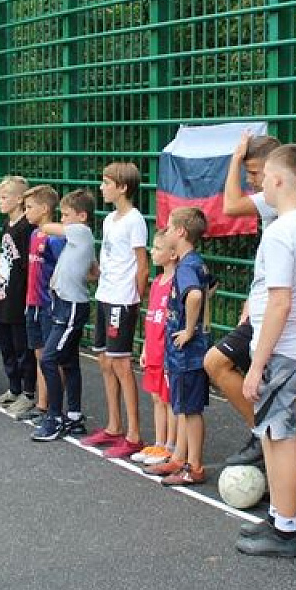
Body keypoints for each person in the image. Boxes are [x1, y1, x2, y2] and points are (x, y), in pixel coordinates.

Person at [207, 131, 296, 477]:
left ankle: (278, 446)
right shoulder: (288, 211)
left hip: (283, 311)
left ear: (278, 173)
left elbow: (230, 206)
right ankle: (289, 453)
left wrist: (233, 159)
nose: (252, 181)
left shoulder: (290, 203)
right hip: (277, 304)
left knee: (220, 363)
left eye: (257, 173)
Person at [232, 144, 296, 558]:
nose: (260, 186)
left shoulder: (280, 232)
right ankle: (277, 517)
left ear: (280, 180)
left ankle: (285, 529)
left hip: (283, 347)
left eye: (264, 178)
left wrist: (256, 365)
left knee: (281, 437)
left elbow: (280, 302)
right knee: (273, 434)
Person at [82, 163, 150, 458]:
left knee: (121, 364)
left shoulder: (135, 220)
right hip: (105, 295)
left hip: (122, 300)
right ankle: (114, 426)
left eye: (106, 183)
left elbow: (142, 265)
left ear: (123, 187)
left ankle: (134, 434)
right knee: (105, 361)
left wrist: (134, 299)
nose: (101, 188)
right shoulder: (109, 219)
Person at [150, 208, 212, 486]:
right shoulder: (196, 262)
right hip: (190, 352)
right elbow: (209, 288)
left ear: (181, 232)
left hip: (188, 353)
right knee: (185, 408)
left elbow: (196, 295)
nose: (166, 229)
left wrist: (188, 329)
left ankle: (194, 466)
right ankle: (179, 458)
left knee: (191, 409)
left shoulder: (186, 266)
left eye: (170, 226)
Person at [31, 189, 97, 442]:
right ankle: (74, 416)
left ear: (82, 216)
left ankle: (55, 417)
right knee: (68, 361)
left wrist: (41, 217)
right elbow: (93, 271)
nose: (63, 219)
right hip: (63, 302)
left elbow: (47, 228)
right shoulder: (78, 239)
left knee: (49, 359)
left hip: (71, 306)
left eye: (67, 215)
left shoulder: (81, 231)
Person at [10, 184, 62, 421]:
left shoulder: (55, 238)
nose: (26, 211)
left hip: (48, 304)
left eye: (29, 207)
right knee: (40, 354)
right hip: (32, 303)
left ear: (44, 209)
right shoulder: (33, 235)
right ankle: (42, 404)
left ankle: (54, 408)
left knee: (51, 358)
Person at [0, 176, 35, 409]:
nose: (0, 202)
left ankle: (28, 392)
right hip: (3, 293)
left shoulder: (27, 227)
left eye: (4, 197)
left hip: (18, 295)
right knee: (5, 344)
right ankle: (14, 388)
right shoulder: (8, 224)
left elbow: (28, 266)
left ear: (19, 199)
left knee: (21, 346)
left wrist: (26, 296)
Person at [131, 233, 178, 466]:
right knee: (156, 397)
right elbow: (151, 318)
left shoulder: (176, 283)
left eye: (158, 248)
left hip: (166, 350)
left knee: (168, 399)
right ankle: (159, 443)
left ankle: (171, 445)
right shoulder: (158, 281)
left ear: (173, 254)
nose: (152, 252)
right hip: (153, 348)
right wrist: (145, 349)